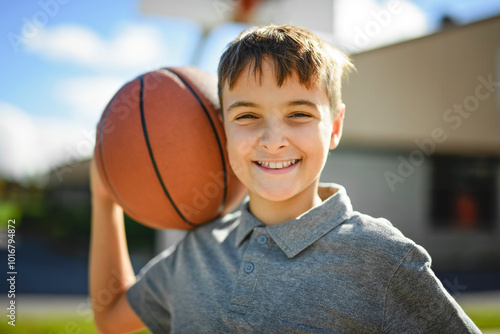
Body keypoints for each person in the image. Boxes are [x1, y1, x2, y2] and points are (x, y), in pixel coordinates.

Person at [89, 24, 481, 333]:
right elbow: (110, 318)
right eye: (246, 116)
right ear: (221, 127)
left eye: (299, 114)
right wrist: (105, 199)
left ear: (335, 126)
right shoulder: (197, 252)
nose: (273, 141)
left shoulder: (381, 258)